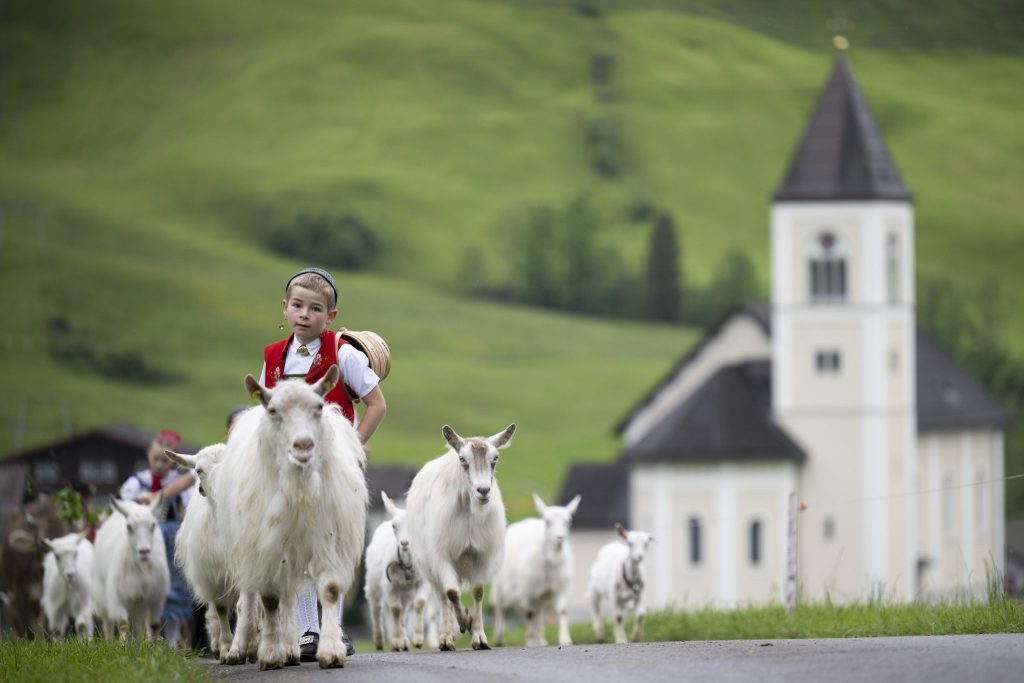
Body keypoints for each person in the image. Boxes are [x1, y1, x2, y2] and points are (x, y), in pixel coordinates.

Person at [258, 266, 387, 660]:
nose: (304, 314)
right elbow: (266, 411)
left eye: (315, 309)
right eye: (297, 305)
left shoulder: (342, 354)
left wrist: (354, 444)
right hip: (290, 468)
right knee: (292, 546)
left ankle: (335, 629)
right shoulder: (272, 357)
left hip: (332, 466)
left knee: (333, 543)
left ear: (329, 316)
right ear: (285, 308)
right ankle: (307, 631)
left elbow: (377, 405)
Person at [118, 429, 196, 647]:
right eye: (156, 459)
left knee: (174, 585)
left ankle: (172, 639)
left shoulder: (179, 483)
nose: (160, 464)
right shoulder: (136, 482)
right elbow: (123, 506)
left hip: (171, 537)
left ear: (172, 461)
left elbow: (190, 506)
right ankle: (145, 635)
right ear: (148, 456)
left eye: (165, 460)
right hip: (145, 538)